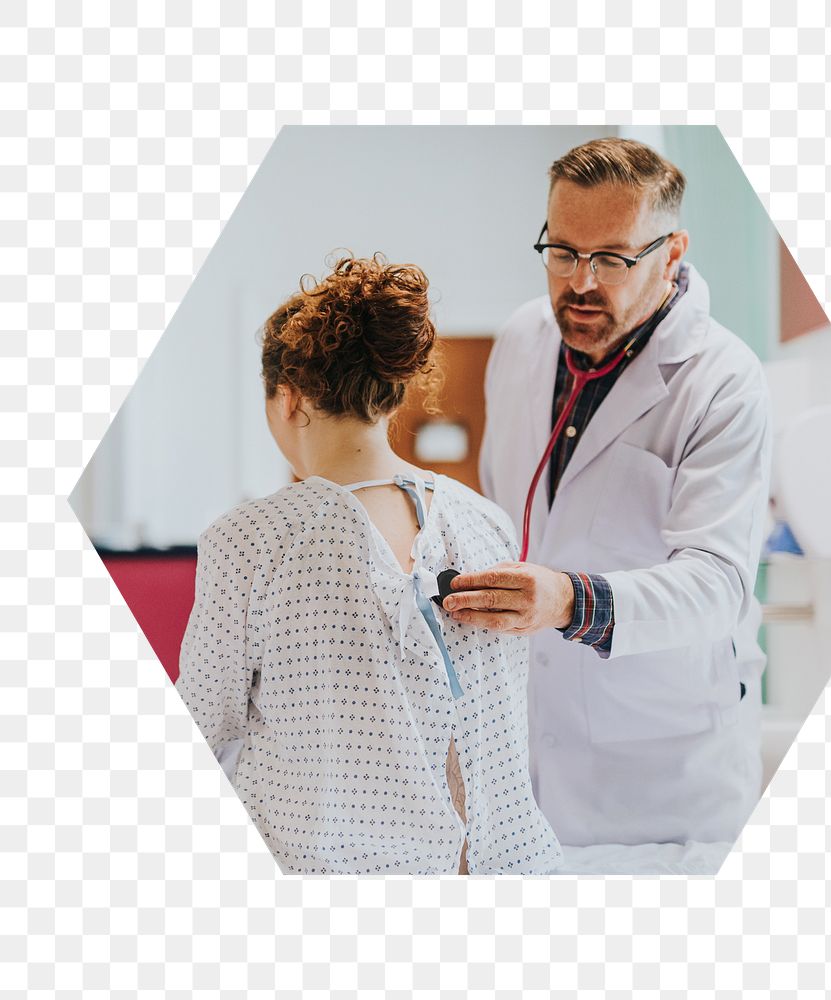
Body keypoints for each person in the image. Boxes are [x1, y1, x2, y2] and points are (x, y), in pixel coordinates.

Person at [175, 254, 562, 876]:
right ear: (390, 395)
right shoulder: (482, 522)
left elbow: (199, 722)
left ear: (290, 398)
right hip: (500, 864)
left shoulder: (250, 541)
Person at [443, 138, 772, 847]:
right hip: (527, 755)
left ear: (672, 253)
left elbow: (717, 586)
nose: (580, 282)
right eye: (562, 252)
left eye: (613, 258)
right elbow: (507, 516)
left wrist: (568, 600)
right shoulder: (521, 340)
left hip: (663, 772)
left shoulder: (722, 382)